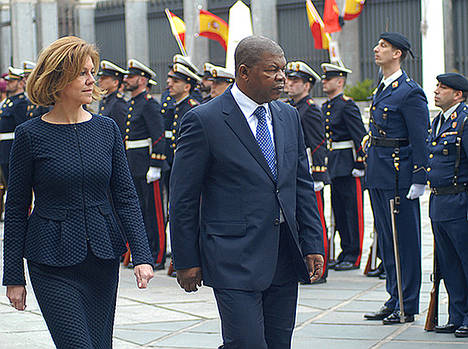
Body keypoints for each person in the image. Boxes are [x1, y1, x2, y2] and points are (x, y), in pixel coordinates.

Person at [170, 35, 325, 349]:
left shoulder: (287, 116)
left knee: (278, 343)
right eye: (272, 70)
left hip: (283, 253)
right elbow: (183, 197)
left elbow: (301, 186)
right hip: (232, 256)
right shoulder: (205, 120)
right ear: (244, 72)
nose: (282, 77)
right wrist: (186, 258)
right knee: (246, 343)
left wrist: (313, 243)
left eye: (283, 70)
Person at [2, 36, 154, 348]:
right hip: (50, 260)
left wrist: (142, 255)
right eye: (82, 73)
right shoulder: (29, 135)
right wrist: (13, 275)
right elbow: (16, 207)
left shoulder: (106, 129)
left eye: (92, 71)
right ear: (57, 79)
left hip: (102, 257)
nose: (91, 80)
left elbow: (125, 196)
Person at [364, 32, 429, 324]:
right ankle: (394, 297)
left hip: (398, 175)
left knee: (404, 241)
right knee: (387, 241)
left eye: (383, 46)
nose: (376, 49)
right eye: (378, 44)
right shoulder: (382, 88)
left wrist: (419, 177)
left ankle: (408, 302)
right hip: (379, 172)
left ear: (398, 54)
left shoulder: (410, 92)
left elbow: (420, 138)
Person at [427, 73, 468, 337]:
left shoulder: (464, 122)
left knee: (465, 261)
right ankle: (456, 314)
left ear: (459, 95)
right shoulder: (439, 121)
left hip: (459, 201)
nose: (437, 91)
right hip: (439, 201)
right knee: (449, 264)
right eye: (438, 86)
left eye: (444, 88)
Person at [286, 60, 329, 284]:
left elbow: (319, 143)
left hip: (310, 173)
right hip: (296, 172)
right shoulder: (291, 107)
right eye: (289, 79)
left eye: (296, 81)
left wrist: (319, 174)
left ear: (307, 85)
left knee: (316, 219)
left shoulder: (310, 109)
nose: (290, 84)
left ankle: (321, 266)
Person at [320, 63, 367, 271]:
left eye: (328, 79)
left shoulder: (347, 105)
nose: (324, 82)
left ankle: (353, 255)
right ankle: (343, 251)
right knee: (338, 211)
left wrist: (360, 162)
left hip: (349, 164)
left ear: (339, 82)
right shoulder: (326, 106)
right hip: (334, 164)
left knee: (352, 212)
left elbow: (360, 136)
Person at [123, 59, 168, 270]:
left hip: (148, 166)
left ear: (142, 80)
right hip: (134, 164)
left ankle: (157, 255)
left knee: (154, 212)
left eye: (130, 77)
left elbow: (158, 136)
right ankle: (145, 253)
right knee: (139, 210)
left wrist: (156, 165)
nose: (125, 79)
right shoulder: (134, 103)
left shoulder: (149, 103)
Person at [0, 66, 29, 184]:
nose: (8, 84)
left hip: (11, 147)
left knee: (14, 183)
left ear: (21, 83)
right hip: (4, 147)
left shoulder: (21, 103)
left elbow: (21, 127)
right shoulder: (8, 102)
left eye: (11, 81)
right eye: (8, 81)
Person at [97, 60, 128, 137]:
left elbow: (121, 132)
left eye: (104, 78)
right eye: (100, 77)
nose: (100, 80)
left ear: (115, 83)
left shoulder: (118, 103)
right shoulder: (105, 101)